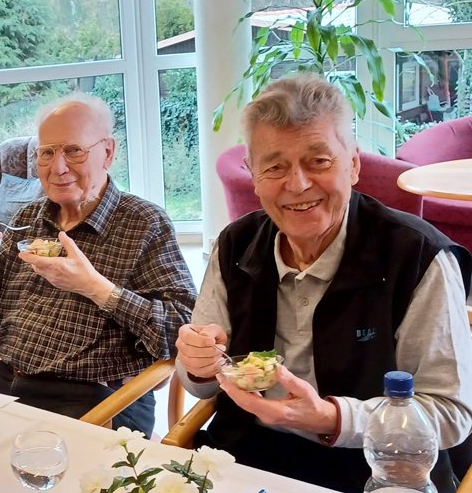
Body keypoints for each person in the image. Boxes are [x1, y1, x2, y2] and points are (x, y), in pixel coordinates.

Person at [175, 74, 472, 492]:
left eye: (319, 161)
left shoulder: (417, 258)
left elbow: (449, 414)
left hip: (373, 469)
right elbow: (198, 381)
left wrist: (332, 419)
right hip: (246, 459)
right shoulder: (235, 245)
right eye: (275, 166)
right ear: (253, 175)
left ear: (353, 164)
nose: (297, 184)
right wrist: (198, 364)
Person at [0, 93, 197, 435]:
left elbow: (183, 329)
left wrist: (96, 288)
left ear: (108, 152)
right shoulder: (27, 221)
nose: (58, 167)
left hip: (96, 398)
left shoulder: (144, 223)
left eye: (73, 150)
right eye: (47, 152)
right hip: (8, 385)